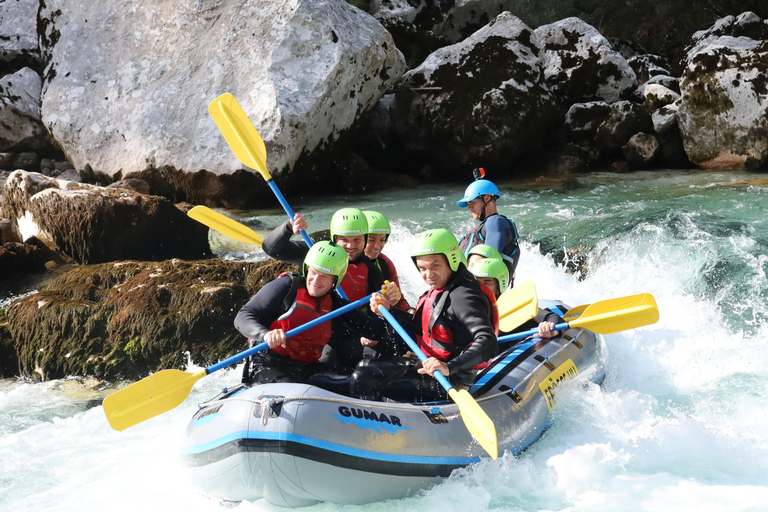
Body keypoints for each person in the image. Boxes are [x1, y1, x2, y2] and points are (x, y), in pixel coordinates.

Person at [352, 229, 499, 403]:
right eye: (422, 268)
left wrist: (448, 367)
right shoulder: (444, 287)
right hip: (431, 367)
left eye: (435, 265)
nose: (428, 275)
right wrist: (389, 310)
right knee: (365, 365)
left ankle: (375, 426)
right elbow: (420, 328)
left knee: (363, 376)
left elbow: (488, 342)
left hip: (450, 381)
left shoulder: (463, 296)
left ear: (451, 260)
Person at [234, 241, 394, 392]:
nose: (316, 281)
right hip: (266, 363)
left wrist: (385, 309)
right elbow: (243, 316)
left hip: (305, 368)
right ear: (306, 269)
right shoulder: (285, 287)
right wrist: (265, 334)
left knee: (358, 381)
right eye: (313, 272)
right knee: (294, 392)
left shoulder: (335, 304)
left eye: (325, 276)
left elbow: (374, 330)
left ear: (335, 280)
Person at [261, 207, 402, 366]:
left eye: (357, 240)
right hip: (312, 334)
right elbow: (271, 249)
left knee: (384, 351)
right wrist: (288, 227)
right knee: (328, 359)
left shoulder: (372, 271)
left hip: (349, 333)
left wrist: (387, 305)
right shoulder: (317, 254)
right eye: (344, 240)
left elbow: (373, 312)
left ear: (364, 239)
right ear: (334, 238)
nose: (350, 246)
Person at [470, 257, 562, 347]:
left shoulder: (511, 304)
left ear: (499, 286)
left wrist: (550, 329)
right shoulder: (466, 304)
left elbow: (552, 316)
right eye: (477, 282)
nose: (480, 287)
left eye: (486, 283)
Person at [457, 169, 520, 288]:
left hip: (478, 293)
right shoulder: (488, 225)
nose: (469, 208)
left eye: (473, 203)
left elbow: (488, 263)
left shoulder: (496, 222)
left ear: (486, 199)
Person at [362, 210, 411, 311]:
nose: (377, 246)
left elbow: (400, 301)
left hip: (377, 316)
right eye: (371, 240)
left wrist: (409, 311)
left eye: (382, 240)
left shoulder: (386, 263)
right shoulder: (344, 264)